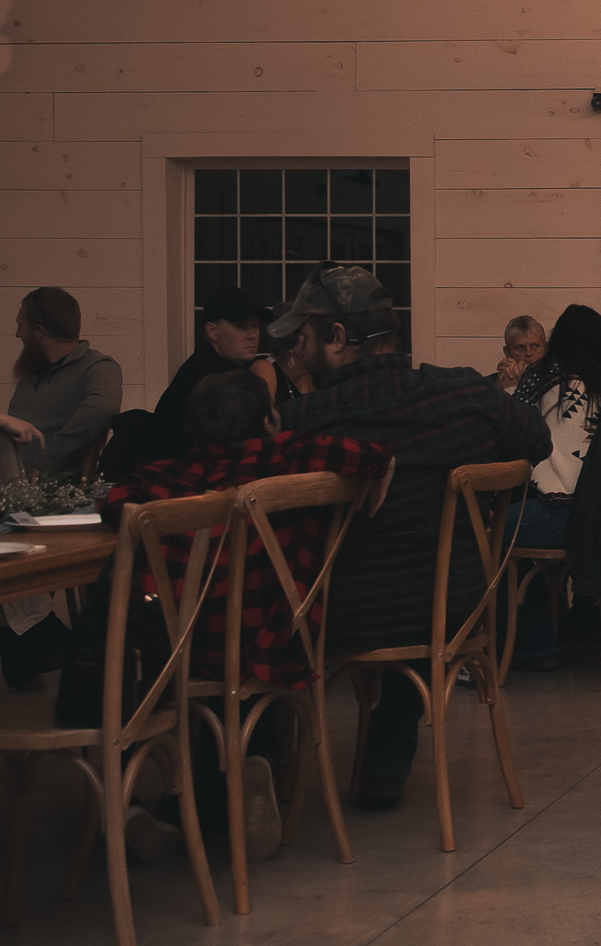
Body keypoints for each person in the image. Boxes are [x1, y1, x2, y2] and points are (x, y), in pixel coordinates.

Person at [272, 266, 549, 810]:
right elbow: (535, 440)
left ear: (336, 338)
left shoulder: (300, 420)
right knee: (425, 588)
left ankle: (265, 773)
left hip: (333, 617)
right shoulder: (462, 393)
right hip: (453, 609)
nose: (295, 356)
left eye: (301, 341)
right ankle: (387, 754)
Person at [102, 368, 388, 856]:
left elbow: (112, 503)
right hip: (275, 638)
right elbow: (368, 456)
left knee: (120, 623)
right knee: (233, 661)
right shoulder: (287, 456)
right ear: (269, 419)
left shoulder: (164, 477)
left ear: (193, 429)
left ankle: (154, 803)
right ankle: (245, 769)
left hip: (181, 648)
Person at [507, 304, 601, 671]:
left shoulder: (543, 379)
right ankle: (579, 622)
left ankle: (533, 644)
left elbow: (511, 436)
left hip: (566, 517)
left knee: (482, 530)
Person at [137, 289, 288, 466]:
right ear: (212, 332)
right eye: (241, 326)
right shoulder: (212, 377)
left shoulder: (222, 367)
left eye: (255, 326)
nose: (252, 335)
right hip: (187, 478)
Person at [2, 286, 122, 479]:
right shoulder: (31, 369)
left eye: (20, 326)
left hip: (45, 489)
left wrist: (48, 461)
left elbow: (103, 407)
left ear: (38, 331)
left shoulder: (97, 367)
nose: (17, 334)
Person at [492, 315, 546, 392]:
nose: (528, 353)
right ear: (507, 352)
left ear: (545, 348)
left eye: (535, 346)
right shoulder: (489, 384)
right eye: (520, 347)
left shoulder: (559, 381)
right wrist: (499, 388)